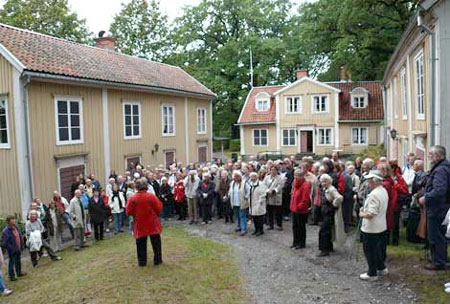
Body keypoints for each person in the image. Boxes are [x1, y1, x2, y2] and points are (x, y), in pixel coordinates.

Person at [420, 145, 450, 270]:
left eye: (431, 154)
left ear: (438, 156)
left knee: (436, 235)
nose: (429, 156)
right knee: (439, 235)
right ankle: (441, 258)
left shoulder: (440, 170)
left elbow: (439, 190)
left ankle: (438, 262)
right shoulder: (442, 167)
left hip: (437, 208)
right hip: (441, 207)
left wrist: (425, 198)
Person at [359, 170, 389, 281]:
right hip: (381, 226)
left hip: (371, 228)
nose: (368, 182)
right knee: (377, 249)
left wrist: (362, 213)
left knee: (369, 250)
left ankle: (372, 273)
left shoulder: (373, 195)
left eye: (369, 180)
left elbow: (371, 214)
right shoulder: (383, 191)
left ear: (375, 181)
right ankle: (381, 268)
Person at [126, 178, 163, 267]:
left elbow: (128, 212)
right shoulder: (151, 196)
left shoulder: (132, 198)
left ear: (137, 187)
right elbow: (159, 207)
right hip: (152, 222)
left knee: (140, 243)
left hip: (140, 223)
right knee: (156, 242)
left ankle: (142, 262)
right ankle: (157, 260)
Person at [317, 174, 345, 257]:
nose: (323, 183)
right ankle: (329, 247)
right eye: (322, 182)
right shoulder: (325, 189)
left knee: (323, 232)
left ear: (329, 181)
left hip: (329, 214)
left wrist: (334, 205)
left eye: (325, 181)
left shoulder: (332, 189)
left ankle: (324, 250)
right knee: (327, 231)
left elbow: (339, 198)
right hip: (325, 213)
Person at [290, 168, 311, 249]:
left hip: (301, 211)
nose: (295, 177)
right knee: (295, 227)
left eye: (297, 176)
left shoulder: (305, 185)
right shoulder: (296, 183)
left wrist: (299, 207)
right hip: (294, 209)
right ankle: (295, 242)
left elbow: (305, 200)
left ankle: (301, 243)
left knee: (301, 228)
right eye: (295, 175)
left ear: (302, 176)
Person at [1, 216, 25, 281]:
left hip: (18, 247)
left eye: (14, 219)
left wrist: (22, 245)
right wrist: (10, 248)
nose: (14, 221)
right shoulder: (6, 231)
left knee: (18, 261)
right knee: (12, 263)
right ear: (9, 222)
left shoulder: (16, 227)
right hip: (12, 250)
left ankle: (19, 273)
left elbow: (19, 236)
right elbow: (4, 243)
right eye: (12, 220)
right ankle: (12, 276)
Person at [264, 166, 285, 231]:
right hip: (269, 197)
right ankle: (271, 225)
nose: (273, 171)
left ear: (277, 171)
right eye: (271, 170)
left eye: (274, 170)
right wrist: (267, 191)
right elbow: (264, 185)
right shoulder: (267, 177)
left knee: (278, 212)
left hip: (277, 197)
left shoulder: (280, 178)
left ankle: (279, 225)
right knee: (270, 212)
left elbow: (280, 186)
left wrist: (274, 191)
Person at [229, 171, 249, 236]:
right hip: (234, 202)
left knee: (242, 215)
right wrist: (228, 195)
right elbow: (230, 191)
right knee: (237, 216)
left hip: (242, 202)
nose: (236, 178)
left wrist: (246, 197)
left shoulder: (244, 183)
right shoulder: (232, 183)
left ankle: (243, 229)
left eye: (237, 176)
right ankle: (239, 226)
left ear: (240, 176)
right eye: (235, 176)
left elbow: (249, 191)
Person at [248, 172, 267, 236]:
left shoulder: (261, 184)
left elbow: (263, 194)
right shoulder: (250, 184)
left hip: (259, 204)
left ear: (256, 177)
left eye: (253, 177)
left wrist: (260, 202)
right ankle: (256, 229)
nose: (252, 178)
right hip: (252, 203)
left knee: (259, 218)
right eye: (251, 177)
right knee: (254, 217)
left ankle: (260, 230)